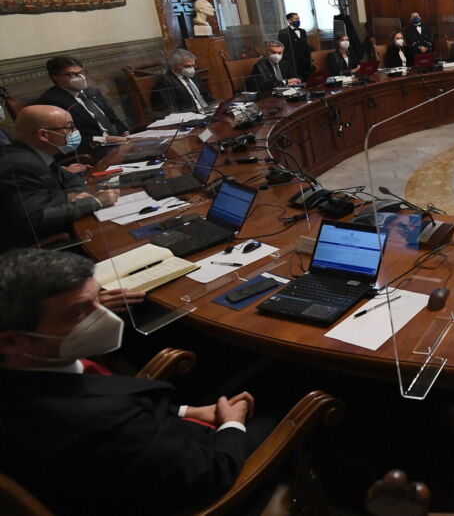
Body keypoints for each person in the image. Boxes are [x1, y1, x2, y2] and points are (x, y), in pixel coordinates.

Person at [0, 249, 265, 516]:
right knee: (281, 397)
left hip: (141, 448)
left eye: (98, 299)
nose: (104, 315)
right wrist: (233, 424)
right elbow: (212, 474)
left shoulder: (27, 370)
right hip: (191, 478)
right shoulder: (101, 420)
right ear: (12, 341)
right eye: (80, 313)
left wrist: (188, 411)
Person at [0, 106, 119, 252]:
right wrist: (95, 202)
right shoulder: (20, 165)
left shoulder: (33, 153)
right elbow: (35, 218)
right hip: (41, 248)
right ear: (44, 135)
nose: (75, 132)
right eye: (69, 128)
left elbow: (69, 177)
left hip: (61, 229)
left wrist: (74, 194)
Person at [38, 56, 128, 149]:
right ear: (55, 77)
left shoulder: (92, 91)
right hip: (94, 149)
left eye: (81, 72)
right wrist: (105, 140)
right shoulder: (51, 101)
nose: (80, 78)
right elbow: (66, 139)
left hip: (119, 142)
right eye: (69, 75)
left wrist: (126, 134)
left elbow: (113, 119)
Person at [151, 48, 212, 114]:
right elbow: (170, 108)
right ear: (174, 65)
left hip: (207, 110)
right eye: (187, 66)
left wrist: (217, 105)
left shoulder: (194, 75)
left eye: (193, 66)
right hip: (191, 115)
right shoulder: (165, 82)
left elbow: (204, 95)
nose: (191, 69)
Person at [276, 12, 314, 78]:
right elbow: (283, 49)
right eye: (296, 19)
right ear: (289, 21)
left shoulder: (303, 31)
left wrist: (309, 59)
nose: (298, 21)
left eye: (298, 19)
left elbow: (305, 46)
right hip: (293, 64)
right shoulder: (284, 32)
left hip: (304, 63)